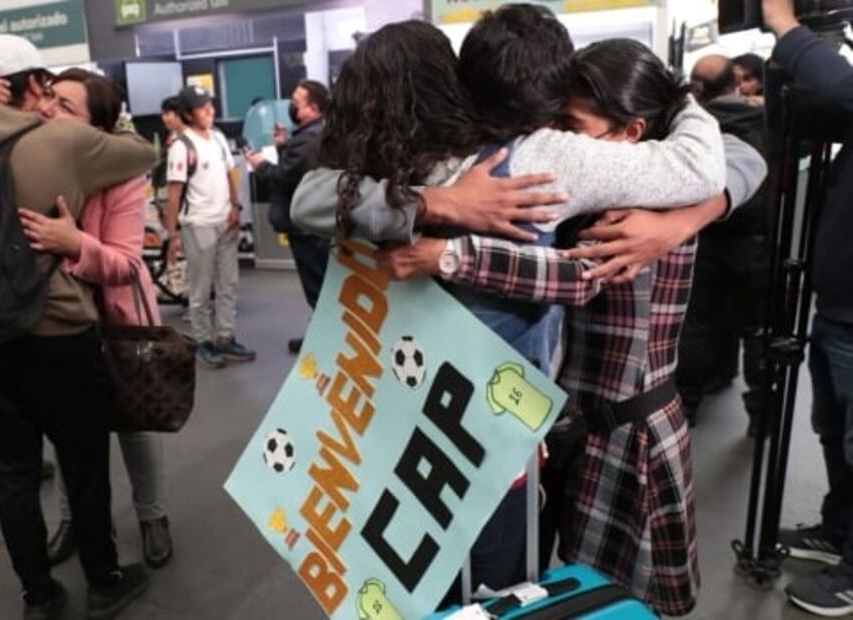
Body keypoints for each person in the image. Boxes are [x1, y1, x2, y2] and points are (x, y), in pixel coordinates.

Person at [291, 9, 747, 612]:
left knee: (405, 575)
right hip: (489, 428)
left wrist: (436, 209)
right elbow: (710, 162)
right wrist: (690, 113)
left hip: (381, 417)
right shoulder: (547, 157)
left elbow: (304, 201)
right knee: (497, 590)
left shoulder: (374, 168)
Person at [0, 34, 156, 620]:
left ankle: (39, 596)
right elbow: (141, 152)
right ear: (35, 86)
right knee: (83, 462)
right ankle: (103, 579)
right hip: (55, 332)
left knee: (13, 472)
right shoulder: (61, 140)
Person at [5, 69, 171, 571]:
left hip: (116, 320)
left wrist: (75, 243)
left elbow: (127, 264)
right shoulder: (32, 154)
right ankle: (75, 520)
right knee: (67, 429)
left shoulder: (121, 176)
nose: (49, 109)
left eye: (67, 107)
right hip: (56, 325)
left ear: (97, 129)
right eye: (50, 98)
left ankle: (152, 515)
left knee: (133, 424)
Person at [761, 0, 853, 615]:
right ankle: (841, 531)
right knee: (833, 431)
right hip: (839, 304)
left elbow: (840, 91)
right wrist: (783, 58)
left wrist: (787, 26)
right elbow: (817, 108)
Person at [679, 54, 772, 433]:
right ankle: (761, 415)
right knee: (757, 330)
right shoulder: (769, 122)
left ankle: (686, 406)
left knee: (695, 326)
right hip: (757, 243)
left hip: (704, 239)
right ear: (735, 81)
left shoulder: (692, 129)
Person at [163, 86, 256, 368]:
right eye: (202, 107)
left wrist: (235, 208)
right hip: (198, 225)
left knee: (229, 284)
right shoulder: (181, 146)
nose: (210, 110)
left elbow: (230, 174)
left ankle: (225, 337)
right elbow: (174, 193)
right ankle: (203, 341)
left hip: (225, 222)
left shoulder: (217, 139)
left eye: (210, 105)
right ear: (188, 114)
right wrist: (173, 235)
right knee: (201, 290)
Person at [244, 80, 330, 354]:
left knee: (318, 289)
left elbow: (283, 177)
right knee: (320, 287)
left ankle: (324, 344)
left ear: (313, 108)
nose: (292, 106)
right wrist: (283, 147)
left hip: (306, 228)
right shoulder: (312, 134)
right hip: (313, 225)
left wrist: (260, 165)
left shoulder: (309, 139)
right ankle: (320, 337)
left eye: (297, 102)